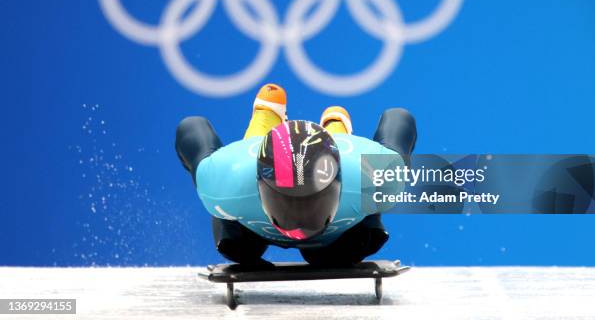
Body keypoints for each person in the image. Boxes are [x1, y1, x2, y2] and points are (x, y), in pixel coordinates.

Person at [175, 83, 417, 266]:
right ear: (260, 185)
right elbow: (190, 129)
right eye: (286, 201)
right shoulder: (225, 180)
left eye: (313, 202)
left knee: (352, 245)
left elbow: (400, 118)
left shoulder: (374, 175)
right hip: (254, 211)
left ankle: (336, 130)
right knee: (235, 247)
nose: (300, 222)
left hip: (334, 232)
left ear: (340, 182)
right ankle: (264, 120)